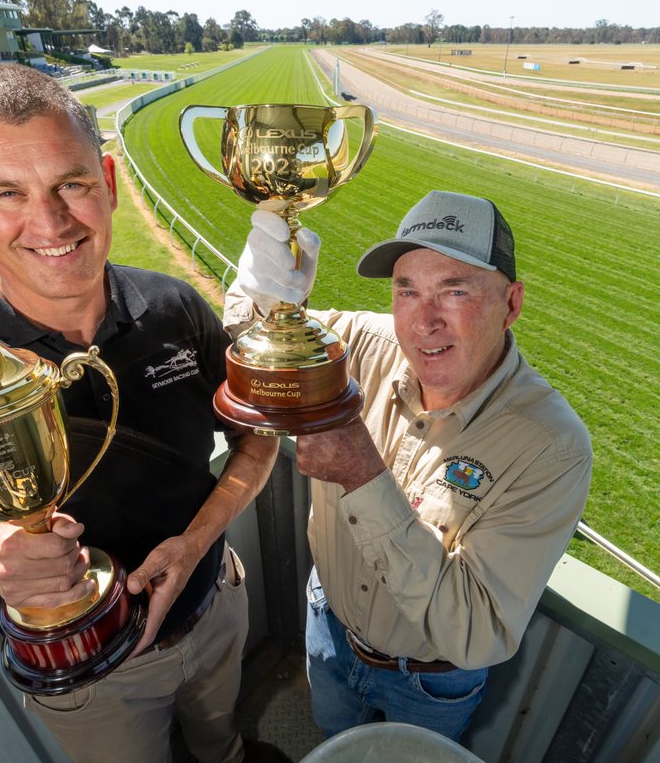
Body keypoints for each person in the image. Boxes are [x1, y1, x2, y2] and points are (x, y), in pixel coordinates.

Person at [0, 63, 282, 763]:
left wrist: (197, 544)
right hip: (87, 673)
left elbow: (257, 441)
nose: (50, 223)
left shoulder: (175, 308)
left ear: (108, 180)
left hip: (215, 602)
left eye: (71, 184)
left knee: (223, 743)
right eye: (6, 192)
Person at [225, 190, 592, 742]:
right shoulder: (359, 344)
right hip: (328, 628)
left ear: (511, 303)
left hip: (428, 685)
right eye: (407, 290)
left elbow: (475, 633)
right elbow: (254, 346)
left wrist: (362, 476)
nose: (424, 322)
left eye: (455, 291)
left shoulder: (551, 447)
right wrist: (259, 291)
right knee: (332, 740)